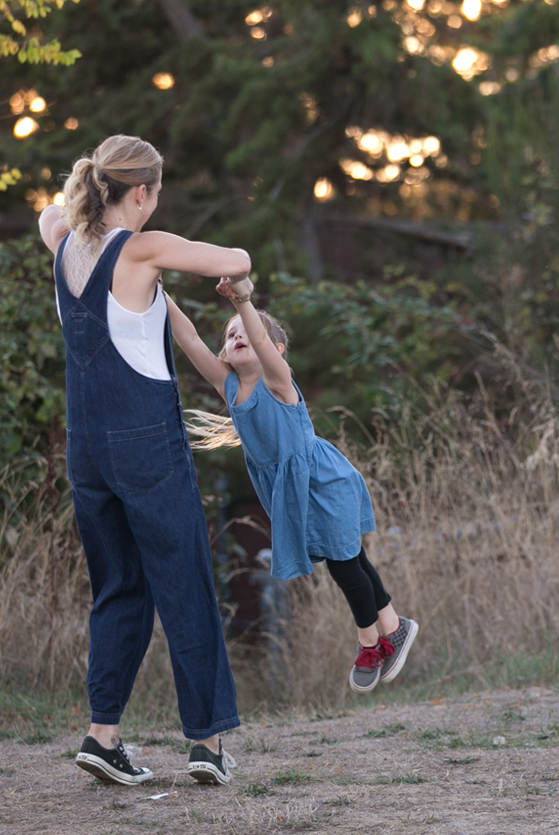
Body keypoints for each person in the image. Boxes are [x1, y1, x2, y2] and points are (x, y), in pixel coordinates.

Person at [38, 134, 253, 786]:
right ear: (141, 192)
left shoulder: (63, 240)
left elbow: (52, 212)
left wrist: (88, 194)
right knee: (182, 578)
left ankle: (104, 736)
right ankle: (208, 744)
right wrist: (233, 279)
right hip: (145, 444)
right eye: (154, 192)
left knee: (118, 587)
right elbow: (236, 255)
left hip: (87, 449)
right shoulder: (143, 248)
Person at [166, 280, 418, 693]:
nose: (237, 336)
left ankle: (370, 641)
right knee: (347, 556)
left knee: (343, 562)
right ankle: (393, 624)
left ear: (275, 350)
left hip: (325, 480)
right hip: (291, 490)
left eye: (247, 331)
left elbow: (261, 340)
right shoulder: (228, 387)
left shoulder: (278, 382)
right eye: (230, 335)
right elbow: (190, 338)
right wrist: (157, 291)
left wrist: (243, 302)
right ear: (226, 353)